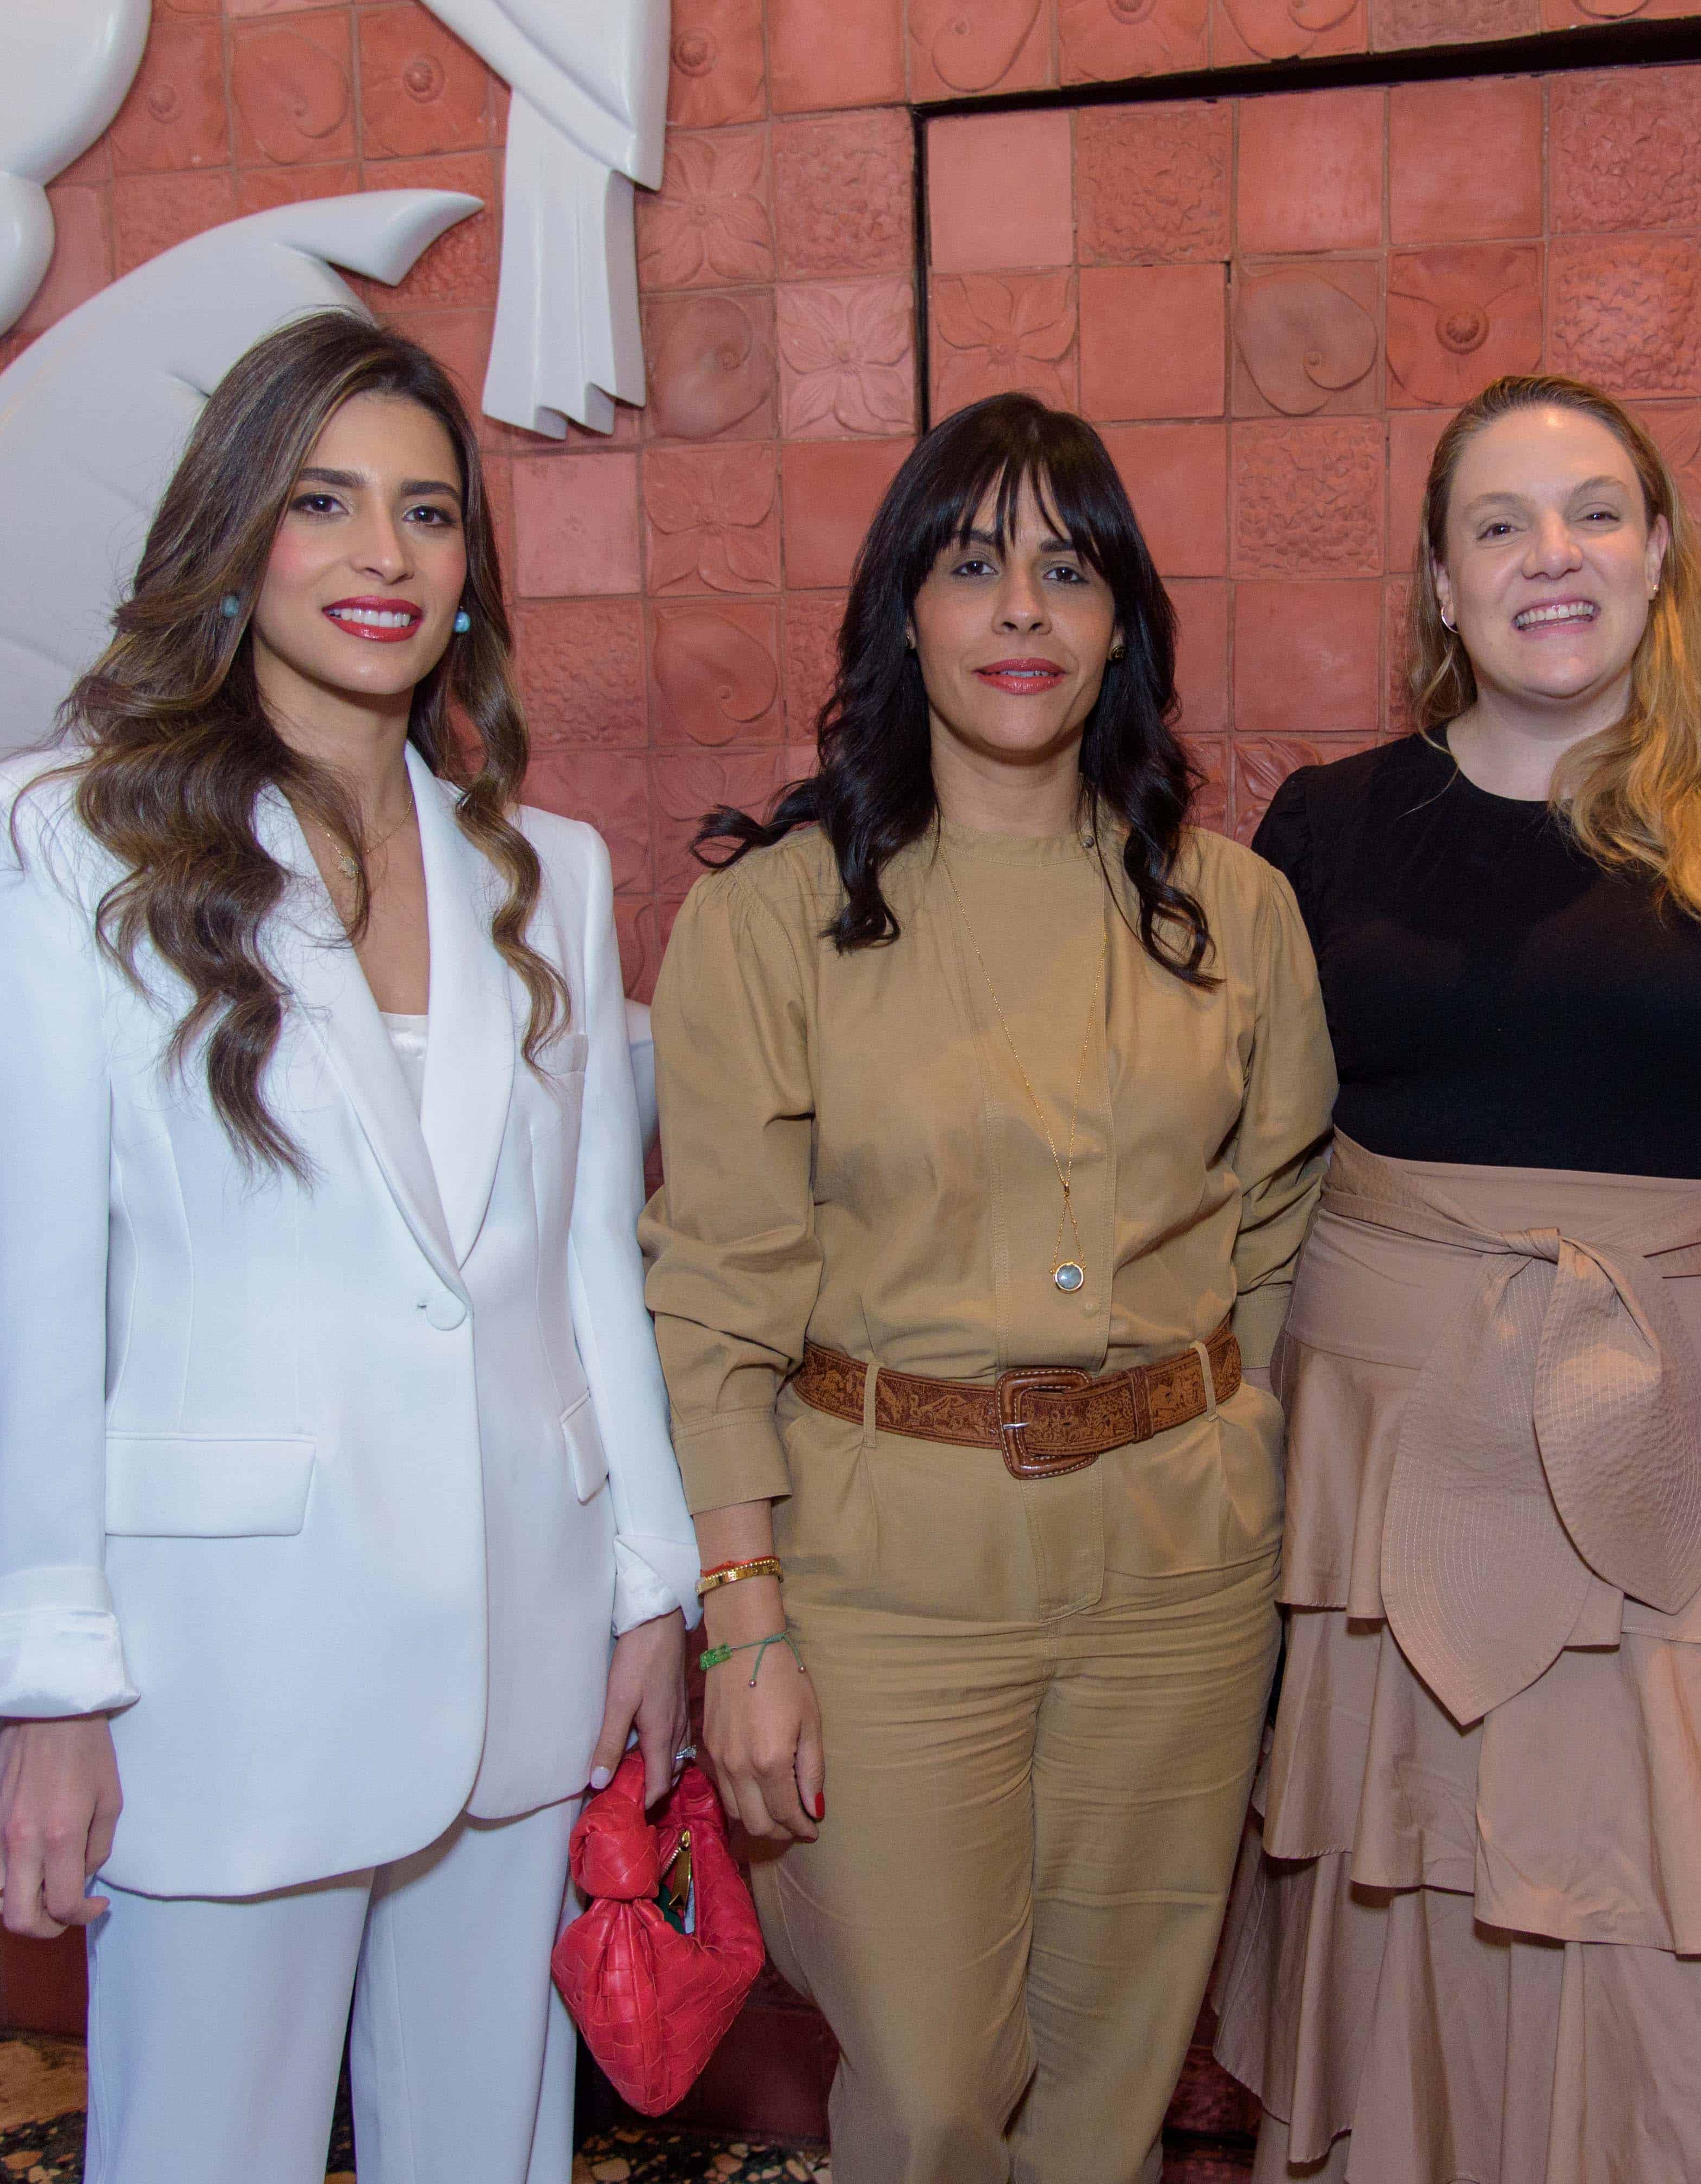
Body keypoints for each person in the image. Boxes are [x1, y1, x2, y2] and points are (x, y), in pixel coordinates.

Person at [0, 314, 697, 2184]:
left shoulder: (555, 871)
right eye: (325, 502)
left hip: (522, 1635)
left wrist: (652, 1584)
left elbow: (589, 1266)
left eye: (429, 514)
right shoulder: (61, 842)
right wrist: (47, 1684)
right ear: (235, 534)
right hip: (221, 1665)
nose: (384, 556)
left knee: (489, 2154)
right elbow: (28, 1303)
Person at [1211, 372, 1701, 2183]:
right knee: (1411, 1908)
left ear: (1662, 550)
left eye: (1595, 512)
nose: (1553, 557)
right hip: (1379, 1468)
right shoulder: (1321, 829)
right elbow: (1262, 1173)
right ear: (1440, 586)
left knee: (1676, 1929)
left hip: (1692, 1468)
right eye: (1500, 525)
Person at [637, 392, 1336, 2184]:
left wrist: (1220, 1445)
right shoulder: (771, 926)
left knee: (1112, 2083)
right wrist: (746, 1617)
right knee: (933, 2086)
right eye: (972, 567)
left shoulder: (1237, 912)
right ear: (906, 615)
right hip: (886, 1580)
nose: (1022, 611)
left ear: (1123, 626)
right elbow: (715, 1288)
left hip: (1177, 1574)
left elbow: (1279, 1225)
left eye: (1068, 569)